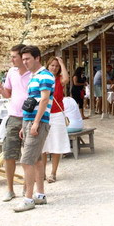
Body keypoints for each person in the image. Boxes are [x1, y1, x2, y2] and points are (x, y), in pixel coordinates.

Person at [14, 45, 54, 213]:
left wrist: (36, 123)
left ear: (37, 58)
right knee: (36, 159)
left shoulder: (45, 76)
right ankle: (40, 195)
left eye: (28, 59)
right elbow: (33, 101)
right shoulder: (34, 76)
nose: (25, 62)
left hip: (38, 121)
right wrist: (25, 124)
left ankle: (28, 198)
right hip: (29, 121)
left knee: (26, 160)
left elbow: (44, 100)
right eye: (23, 59)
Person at [0, 44, 31, 202]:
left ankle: (27, 186)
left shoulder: (33, 73)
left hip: (29, 117)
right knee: (9, 154)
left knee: (29, 155)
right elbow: (9, 93)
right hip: (14, 117)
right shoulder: (11, 72)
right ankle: (9, 189)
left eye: (14, 56)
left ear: (23, 58)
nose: (11, 59)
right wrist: (2, 91)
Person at [42, 56, 71, 184]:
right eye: (52, 65)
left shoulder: (59, 79)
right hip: (44, 114)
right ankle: (42, 173)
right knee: (43, 145)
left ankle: (53, 173)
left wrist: (62, 63)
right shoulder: (43, 78)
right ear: (48, 66)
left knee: (56, 145)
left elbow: (67, 79)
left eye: (56, 66)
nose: (54, 68)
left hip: (57, 114)